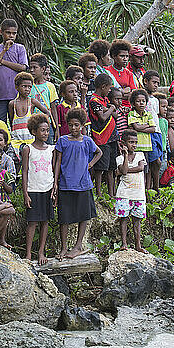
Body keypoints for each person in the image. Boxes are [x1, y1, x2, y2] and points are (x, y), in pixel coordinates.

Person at [54, 107, 102, 260]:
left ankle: (78, 245)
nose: (73, 128)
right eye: (70, 125)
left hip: (83, 183)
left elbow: (99, 152)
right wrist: (55, 182)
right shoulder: (62, 141)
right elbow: (58, 162)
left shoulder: (87, 141)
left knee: (84, 215)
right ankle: (63, 248)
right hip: (66, 183)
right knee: (64, 217)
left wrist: (90, 164)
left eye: (76, 125)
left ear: (82, 125)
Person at [22, 114, 55, 265]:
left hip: (47, 188)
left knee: (45, 221)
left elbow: (53, 169)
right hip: (33, 189)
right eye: (42, 130)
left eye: (47, 130)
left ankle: (41, 251)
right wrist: (25, 193)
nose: (46, 133)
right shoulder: (27, 149)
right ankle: (28, 253)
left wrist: (55, 189)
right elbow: (24, 172)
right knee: (32, 222)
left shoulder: (51, 149)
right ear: (34, 131)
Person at [0, 18, 28, 122]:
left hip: (16, 95)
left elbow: (23, 68)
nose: (11, 36)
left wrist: (3, 62)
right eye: (8, 33)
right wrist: (4, 50)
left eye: (14, 33)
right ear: (1, 32)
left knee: (16, 123)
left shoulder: (20, 48)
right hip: (0, 95)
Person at [115, 129, 147, 252]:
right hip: (124, 193)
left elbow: (140, 168)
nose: (133, 145)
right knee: (124, 219)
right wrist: (126, 156)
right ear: (123, 143)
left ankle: (138, 245)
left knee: (137, 221)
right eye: (130, 142)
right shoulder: (119, 158)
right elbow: (123, 169)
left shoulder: (140, 155)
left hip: (138, 194)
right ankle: (124, 244)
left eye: (135, 142)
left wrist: (125, 170)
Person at [8, 72, 49, 159]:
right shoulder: (12, 104)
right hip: (16, 140)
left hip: (31, 139)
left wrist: (39, 123)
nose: (27, 89)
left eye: (29, 87)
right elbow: (12, 121)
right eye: (24, 86)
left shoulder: (32, 102)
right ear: (17, 87)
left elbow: (47, 112)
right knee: (15, 163)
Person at [88, 73, 116, 196]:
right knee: (100, 168)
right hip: (101, 138)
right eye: (109, 88)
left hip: (112, 137)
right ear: (103, 86)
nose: (110, 91)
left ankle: (111, 194)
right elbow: (103, 117)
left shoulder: (104, 100)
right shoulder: (94, 101)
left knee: (111, 167)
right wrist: (111, 108)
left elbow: (114, 114)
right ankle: (99, 193)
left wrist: (109, 108)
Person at [128, 89, 156, 188]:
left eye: (143, 101)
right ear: (133, 104)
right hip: (136, 148)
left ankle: (145, 190)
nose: (141, 103)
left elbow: (153, 129)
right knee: (136, 170)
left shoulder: (148, 114)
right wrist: (146, 125)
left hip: (146, 148)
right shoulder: (131, 114)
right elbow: (136, 128)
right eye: (138, 101)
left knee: (145, 170)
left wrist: (141, 127)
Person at [29, 53, 59, 143]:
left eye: (35, 67)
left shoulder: (50, 86)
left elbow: (53, 108)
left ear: (43, 69)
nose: (31, 70)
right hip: (31, 125)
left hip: (47, 125)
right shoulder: (28, 86)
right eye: (30, 67)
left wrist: (57, 128)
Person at [143, 70, 163, 190]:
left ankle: (152, 189)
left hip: (157, 132)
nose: (156, 85)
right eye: (153, 82)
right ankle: (154, 188)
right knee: (154, 162)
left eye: (157, 83)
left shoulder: (155, 100)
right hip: (148, 132)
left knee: (155, 161)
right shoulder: (141, 98)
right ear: (146, 81)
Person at [106, 39, 135, 107]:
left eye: (127, 56)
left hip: (127, 107)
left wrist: (117, 94)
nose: (125, 59)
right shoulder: (107, 71)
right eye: (122, 56)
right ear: (114, 56)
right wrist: (125, 91)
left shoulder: (129, 74)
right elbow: (108, 93)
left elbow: (133, 95)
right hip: (111, 107)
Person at [156, 93, 169, 178]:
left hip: (164, 150)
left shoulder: (165, 121)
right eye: (163, 107)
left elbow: (166, 136)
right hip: (157, 150)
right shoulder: (155, 120)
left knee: (163, 167)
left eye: (166, 107)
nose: (165, 109)